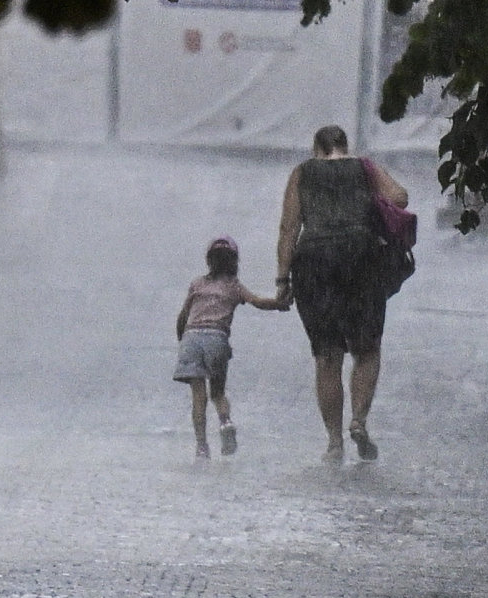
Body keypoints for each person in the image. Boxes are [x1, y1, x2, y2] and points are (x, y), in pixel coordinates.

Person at [274, 125, 409, 463]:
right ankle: (359, 421)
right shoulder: (364, 167)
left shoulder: (302, 173)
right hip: (361, 257)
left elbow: (289, 227)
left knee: (327, 355)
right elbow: (400, 198)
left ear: (316, 148)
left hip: (313, 263)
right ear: (345, 146)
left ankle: (334, 442)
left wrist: (281, 280)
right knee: (366, 349)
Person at [175, 235, 289, 458]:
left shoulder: (197, 284)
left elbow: (182, 316)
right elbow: (257, 302)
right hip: (216, 338)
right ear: (234, 262)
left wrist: (183, 340)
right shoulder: (234, 286)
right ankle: (225, 422)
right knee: (217, 393)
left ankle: (201, 447)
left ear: (209, 261)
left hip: (192, 337)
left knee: (198, 397)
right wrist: (279, 304)